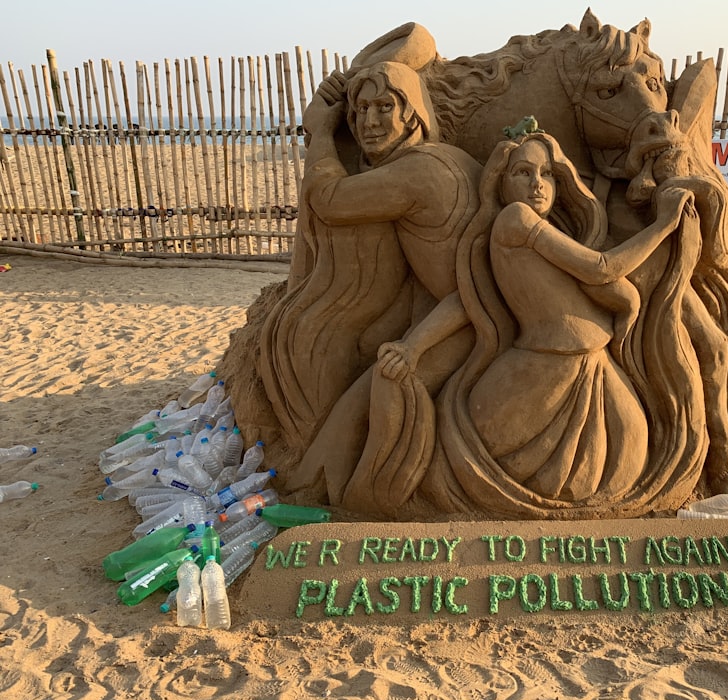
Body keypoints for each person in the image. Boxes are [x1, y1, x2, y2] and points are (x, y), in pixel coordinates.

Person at [415, 131, 697, 515]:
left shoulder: (545, 231)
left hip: (592, 368)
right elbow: (602, 268)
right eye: (522, 173)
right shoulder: (515, 219)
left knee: (628, 457)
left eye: (547, 173)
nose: (537, 184)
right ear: (501, 180)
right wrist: (663, 225)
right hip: (547, 370)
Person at [256, 61, 481, 508]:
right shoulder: (446, 157)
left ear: (413, 114)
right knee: (345, 416)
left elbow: (328, 199)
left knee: (380, 392)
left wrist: (321, 131)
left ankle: (365, 504)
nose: (370, 122)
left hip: (466, 316)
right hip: (458, 306)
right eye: (360, 111)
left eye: (384, 107)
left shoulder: (419, 172)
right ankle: (317, 488)